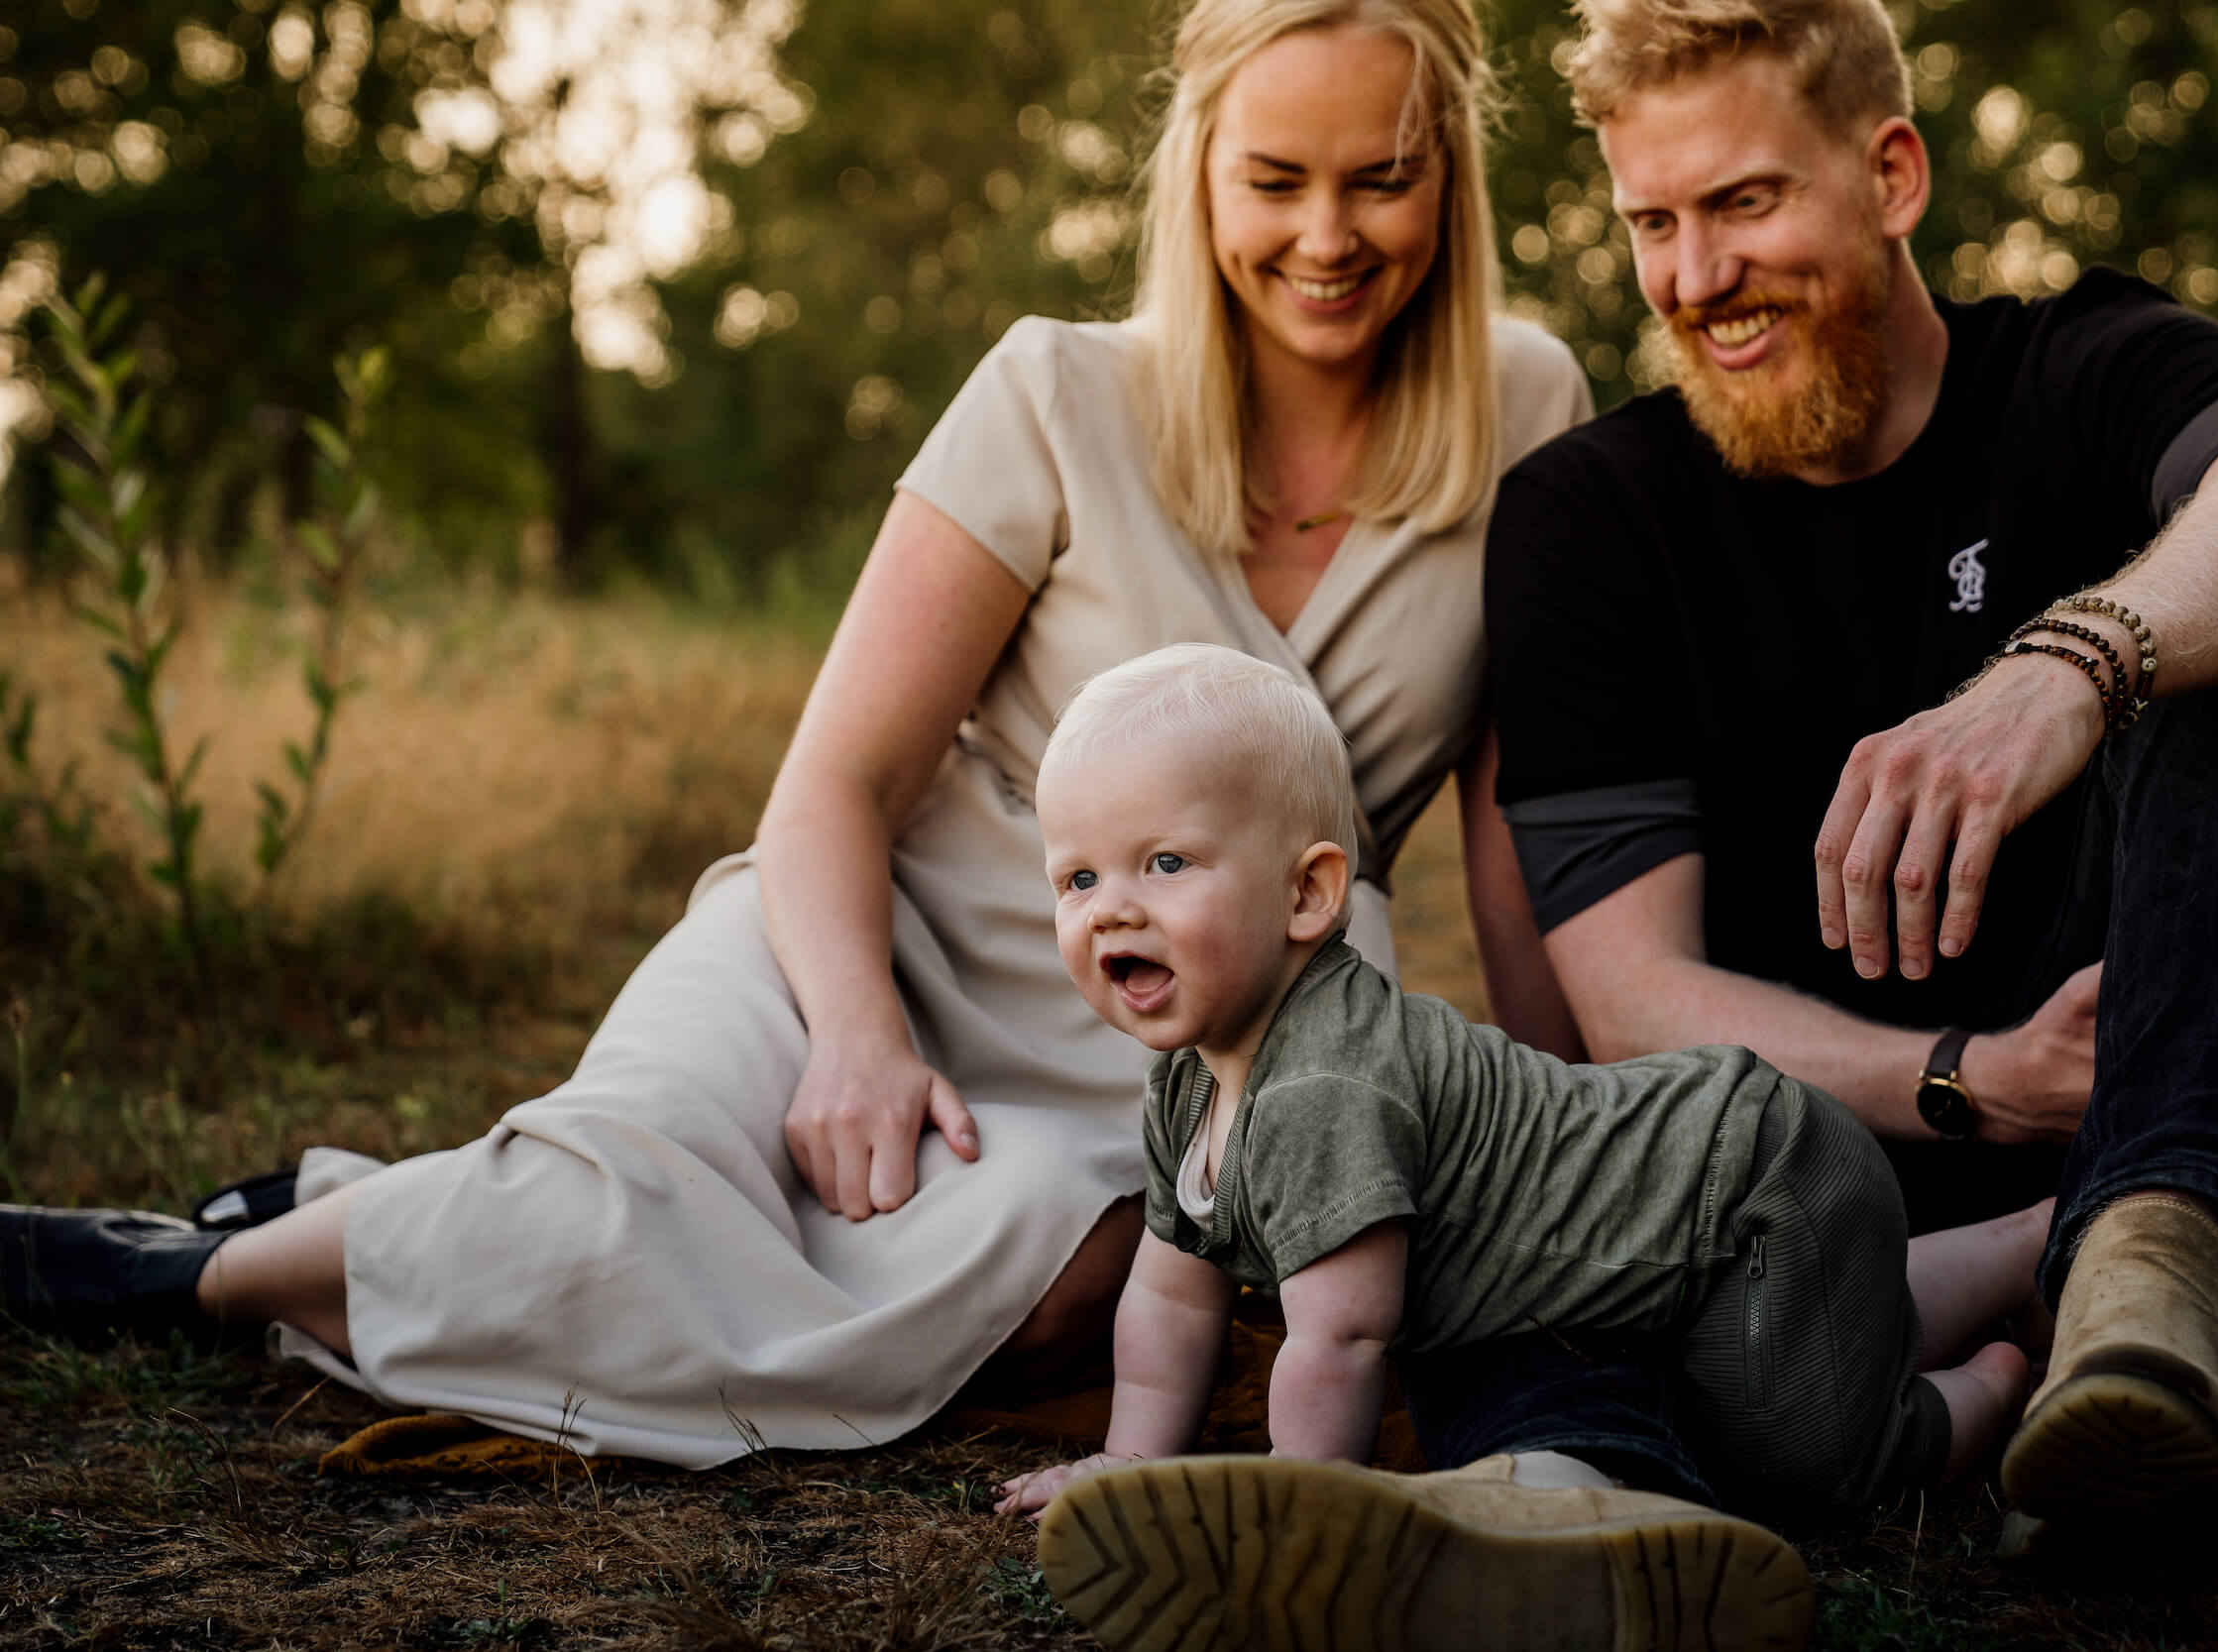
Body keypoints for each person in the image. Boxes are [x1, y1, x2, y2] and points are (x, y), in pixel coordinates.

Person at [0, 0, 1602, 1471]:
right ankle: (187, 1271)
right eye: (1274, 180)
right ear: (1198, 177)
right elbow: (838, 778)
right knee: (624, 1185)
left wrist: (1562, 1126)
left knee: (1061, 1272)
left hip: (1207, 1050)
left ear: (1451, 173)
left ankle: (375, 1224)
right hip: (873, 937)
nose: (1326, 236)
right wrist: (854, 1033)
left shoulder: (1529, 409)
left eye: (1380, 179)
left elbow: (1522, 828)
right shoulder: (1053, 389)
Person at [1476, 0, 2218, 1566]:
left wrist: (2071, 666)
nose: (1694, 277)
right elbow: (1631, 999)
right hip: (1798, 1185)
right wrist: (1972, 1077)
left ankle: (2142, 1295)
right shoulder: (1590, 516)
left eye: (1745, 202)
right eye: (1653, 220)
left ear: (1896, 173)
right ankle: (1584, 1493)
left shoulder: (2080, 364)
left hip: (2164, 1132)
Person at [991, 647, 2042, 1624]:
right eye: (1077, 879)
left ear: (1306, 892)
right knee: (1799, 1329)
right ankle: (2005, 1252)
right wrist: (1128, 1458)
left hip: (1747, 1188)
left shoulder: (1324, 1080)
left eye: (1163, 862)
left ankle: (1982, 1389)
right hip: (1702, 1214)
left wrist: (1298, 1520)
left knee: (1795, 1452)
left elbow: (1341, 1335)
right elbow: (1172, 1288)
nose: (1108, 911)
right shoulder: (1186, 1078)